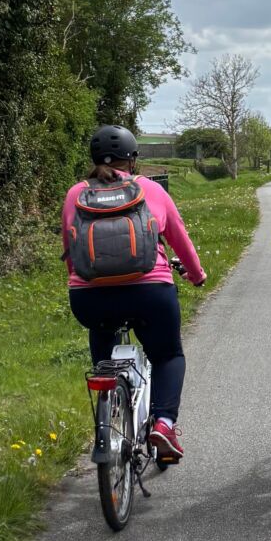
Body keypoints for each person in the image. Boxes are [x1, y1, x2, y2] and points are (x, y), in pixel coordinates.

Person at [62, 126, 205, 462]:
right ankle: (164, 424)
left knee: (101, 330)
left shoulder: (76, 194)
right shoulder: (151, 189)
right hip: (151, 292)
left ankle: (109, 397)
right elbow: (179, 237)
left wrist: (78, 282)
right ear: (133, 159)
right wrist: (196, 275)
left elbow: (70, 248)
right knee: (168, 356)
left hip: (89, 297)